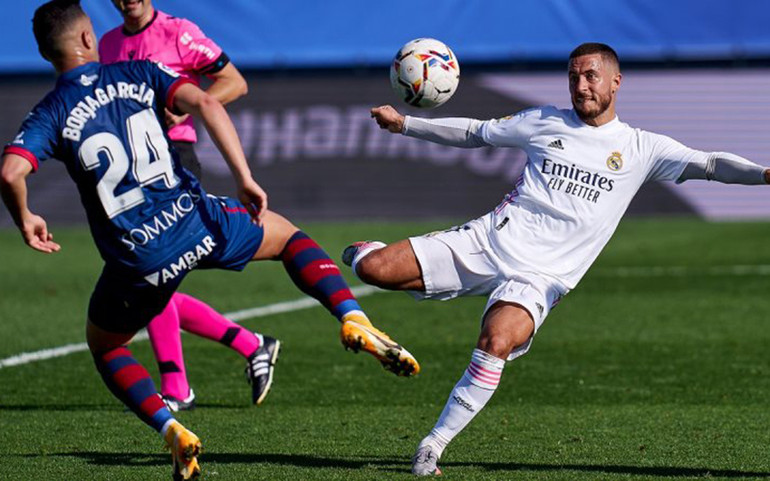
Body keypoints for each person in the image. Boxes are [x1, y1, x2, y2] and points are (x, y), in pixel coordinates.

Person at [0, 1, 419, 479]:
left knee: (108, 347)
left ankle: (171, 428)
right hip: (193, 221)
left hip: (136, 257)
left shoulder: (50, 111)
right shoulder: (138, 71)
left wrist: (25, 217)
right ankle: (353, 316)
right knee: (286, 238)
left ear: (42, 52)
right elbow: (207, 100)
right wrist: (243, 177)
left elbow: (11, 171)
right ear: (90, 39)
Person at [346, 42, 770, 476]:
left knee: (497, 341)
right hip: (489, 241)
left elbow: (712, 164)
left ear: (615, 82)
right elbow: (476, 132)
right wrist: (405, 125)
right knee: (372, 270)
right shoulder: (543, 121)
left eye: (591, 76)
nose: (581, 86)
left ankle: (432, 446)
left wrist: (765, 175)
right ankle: (364, 250)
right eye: (574, 77)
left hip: (541, 277)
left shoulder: (642, 148)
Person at [99, 0, 268, 411]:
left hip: (174, 160)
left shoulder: (178, 32)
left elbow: (234, 82)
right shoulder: (107, 45)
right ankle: (251, 344)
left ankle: (177, 387)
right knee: (152, 275)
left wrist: (180, 107)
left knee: (150, 272)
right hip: (130, 170)